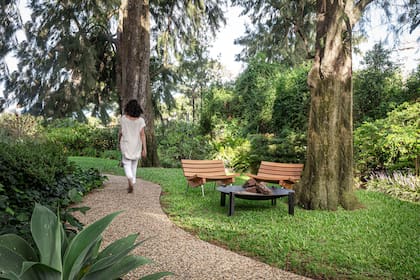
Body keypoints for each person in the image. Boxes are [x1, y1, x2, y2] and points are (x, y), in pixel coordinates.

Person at [118, 99, 147, 193]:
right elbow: (142, 135)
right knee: (134, 164)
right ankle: (133, 181)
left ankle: (130, 178)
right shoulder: (141, 121)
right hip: (136, 144)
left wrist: (118, 141)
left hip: (126, 143)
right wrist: (144, 149)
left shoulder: (123, 119)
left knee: (126, 162)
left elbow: (121, 132)